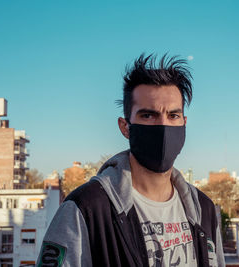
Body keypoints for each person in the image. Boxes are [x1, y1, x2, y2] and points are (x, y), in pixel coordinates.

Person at [37, 54, 225, 267]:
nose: (162, 127)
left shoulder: (204, 210)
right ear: (125, 127)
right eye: (148, 115)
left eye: (173, 116)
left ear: (184, 123)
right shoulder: (85, 209)